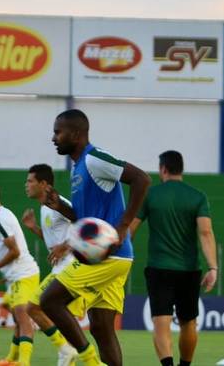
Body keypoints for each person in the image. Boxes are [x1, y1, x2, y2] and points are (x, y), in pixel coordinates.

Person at [40, 109, 150, 366]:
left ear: (76, 134)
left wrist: (123, 226)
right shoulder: (78, 167)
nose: (54, 138)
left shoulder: (94, 159)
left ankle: (89, 362)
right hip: (113, 256)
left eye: (58, 132)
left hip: (107, 256)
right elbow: (84, 220)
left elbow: (141, 179)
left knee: (49, 301)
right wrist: (61, 208)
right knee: (101, 327)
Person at [130, 151, 218, 366]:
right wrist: (213, 267)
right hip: (189, 270)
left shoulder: (151, 195)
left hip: (159, 269)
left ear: (163, 169)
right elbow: (205, 232)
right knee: (189, 323)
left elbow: (130, 230)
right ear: (181, 169)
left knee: (161, 323)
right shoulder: (198, 196)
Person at [0, 182, 40, 366]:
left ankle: (24, 362)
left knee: (22, 317)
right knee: (17, 319)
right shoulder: (1, 216)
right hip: (16, 275)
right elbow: (8, 251)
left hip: (23, 274)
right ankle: (11, 360)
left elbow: (15, 251)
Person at [22, 163, 79, 366]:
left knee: (34, 308)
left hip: (71, 266)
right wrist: (33, 228)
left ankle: (66, 351)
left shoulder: (59, 203)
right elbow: (51, 242)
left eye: (30, 181)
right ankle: (69, 353)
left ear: (44, 184)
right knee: (58, 316)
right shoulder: (44, 208)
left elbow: (86, 225)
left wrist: (65, 246)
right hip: (61, 267)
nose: (26, 185)